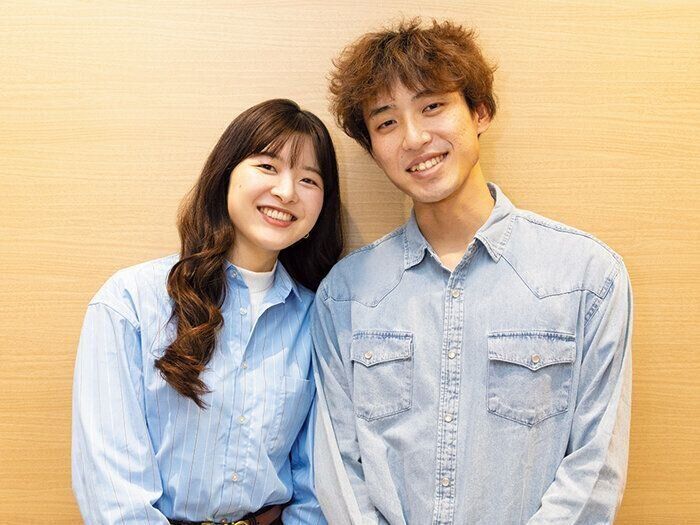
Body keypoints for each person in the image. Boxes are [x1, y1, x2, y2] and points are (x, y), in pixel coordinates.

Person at [312, 19, 632, 524]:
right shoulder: (345, 295)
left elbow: (594, 468)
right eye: (387, 122)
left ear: (480, 111)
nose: (414, 137)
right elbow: (339, 472)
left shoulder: (587, 277)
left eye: (432, 106)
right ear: (373, 148)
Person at [72, 99, 342, 524]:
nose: (287, 192)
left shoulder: (317, 317)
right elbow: (113, 491)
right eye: (267, 166)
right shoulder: (130, 302)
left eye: (309, 179)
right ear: (225, 175)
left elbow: (317, 483)